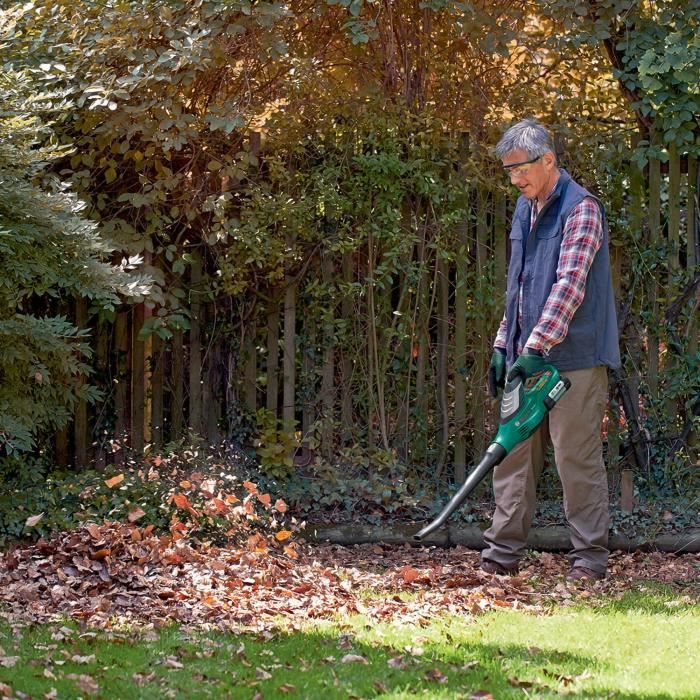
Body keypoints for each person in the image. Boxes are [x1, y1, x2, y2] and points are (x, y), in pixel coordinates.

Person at [482, 118, 620, 581]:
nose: (516, 179)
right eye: (509, 172)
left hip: (573, 361)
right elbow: (519, 288)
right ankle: (501, 555)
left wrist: (536, 345)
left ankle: (589, 559)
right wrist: (505, 343)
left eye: (521, 169)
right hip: (527, 355)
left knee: (573, 457)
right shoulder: (526, 209)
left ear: (548, 160)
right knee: (513, 455)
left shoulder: (581, 210)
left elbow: (569, 286)